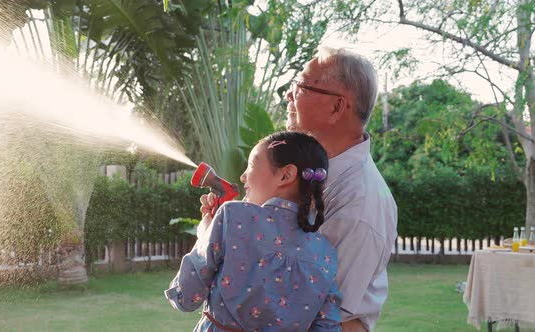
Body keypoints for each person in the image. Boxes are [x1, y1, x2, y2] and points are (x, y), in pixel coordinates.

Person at [165, 131, 342, 331]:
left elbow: (186, 297)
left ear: (286, 175)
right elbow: (327, 327)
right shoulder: (326, 253)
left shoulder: (232, 215)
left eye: (250, 165)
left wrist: (204, 235)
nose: (242, 177)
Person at [285, 47, 398, 332]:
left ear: (337, 107)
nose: (288, 95)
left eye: (300, 85)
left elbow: (320, 312)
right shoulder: (311, 173)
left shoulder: (359, 202)